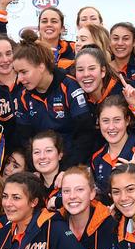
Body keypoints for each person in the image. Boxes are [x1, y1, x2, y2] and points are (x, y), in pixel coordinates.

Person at [13, 30, 95, 166]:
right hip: (42, 165)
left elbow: (85, 135)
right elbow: (26, 140)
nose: (19, 79)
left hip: (73, 163)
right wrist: (36, 170)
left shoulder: (69, 86)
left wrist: (66, 169)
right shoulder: (23, 96)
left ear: (41, 66)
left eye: (23, 72)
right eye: (17, 73)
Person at [0, 0, 76, 69]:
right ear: (39, 27)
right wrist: (2, 5)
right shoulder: (25, 49)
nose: (49, 24)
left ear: (62, 29)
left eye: (54, 21)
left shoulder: (73, 48)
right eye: (44, 21)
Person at [91, 95, 135, 202]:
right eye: (105, 121)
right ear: (98, 122)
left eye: (117, 120)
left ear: (127, 120)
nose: (111, 127)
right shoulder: (97, 158)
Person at [30, 130, 65, 208]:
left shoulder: (71, 181)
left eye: (48, 151)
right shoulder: (29, 186)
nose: (42, 157)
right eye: (37, 152)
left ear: (60, 155)